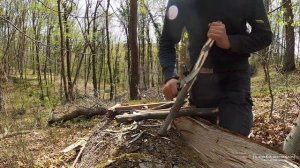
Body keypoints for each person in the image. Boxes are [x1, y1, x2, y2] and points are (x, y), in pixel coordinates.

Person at [159, 0, 272, 136]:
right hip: (199, 81)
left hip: (234, 79)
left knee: (235, 137)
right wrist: (170, 76)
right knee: (202, 139)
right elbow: (167, 41)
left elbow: (264, 35)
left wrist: (230, 42)